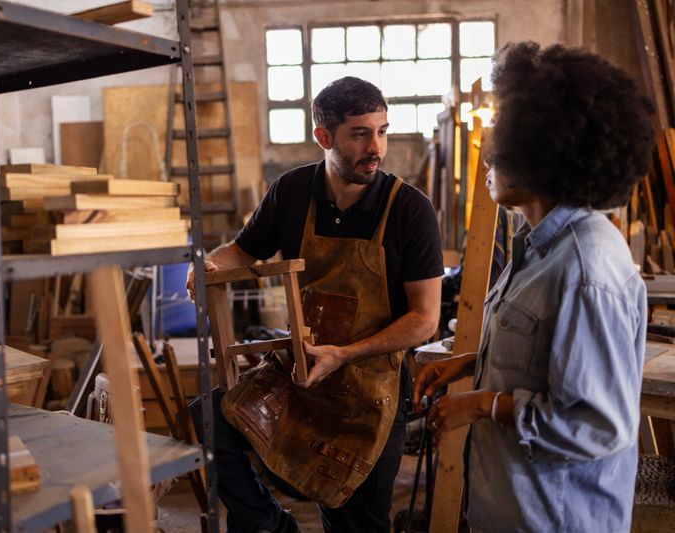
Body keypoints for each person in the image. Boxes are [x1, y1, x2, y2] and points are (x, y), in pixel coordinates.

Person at [413, 42, 655, 532]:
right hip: (516, 509)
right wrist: (472, 366)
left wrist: (483, 402)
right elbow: (543, 361)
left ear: (544, 149)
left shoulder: (586, 269)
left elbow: (595, 426)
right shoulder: (539, 248)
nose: (487, 156)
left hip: (557, 518)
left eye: (504, 137)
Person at [186, 76, 443, 533]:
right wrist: (207, 263)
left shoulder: (409, 209)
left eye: (382, 131)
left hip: (371, 390)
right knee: (209, 417)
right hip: (302, 369)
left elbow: (424, 320)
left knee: (353, 521)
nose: (375, 148)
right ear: (323, 136)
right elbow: (242, 253)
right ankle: (272, 526)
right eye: (360, 134)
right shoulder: (292, 191)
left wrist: (343, 355)